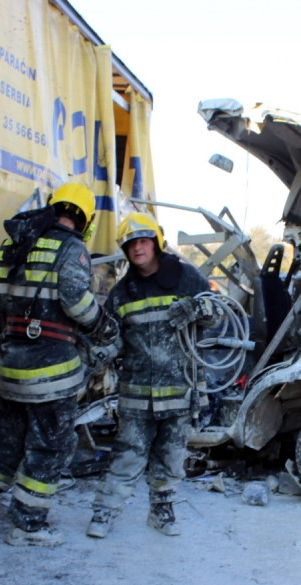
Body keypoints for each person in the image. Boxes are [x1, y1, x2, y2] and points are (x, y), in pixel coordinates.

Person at [0, 181, 118, 547]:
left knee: (7, 437)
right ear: (86, 219)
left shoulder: (19, 241)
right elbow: (74, 299)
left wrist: (21, 312)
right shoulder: (73, 248)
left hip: (13, 364)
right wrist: (101, 326)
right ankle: (28, 525)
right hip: (51, 370)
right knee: (50, 445)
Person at [86, 212, 220, 538]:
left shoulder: (188, 278)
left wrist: (199, 309)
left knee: (171, 457)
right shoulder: (122, 293)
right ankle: (104, 514)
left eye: (143, 241)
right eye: (131, 244)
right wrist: (95, 360)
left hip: (179, 389)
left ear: (156, 243)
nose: (137, 248)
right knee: (126, 457)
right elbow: (113, 339)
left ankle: (162, 512)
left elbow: (217, 315)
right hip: (137, 393)